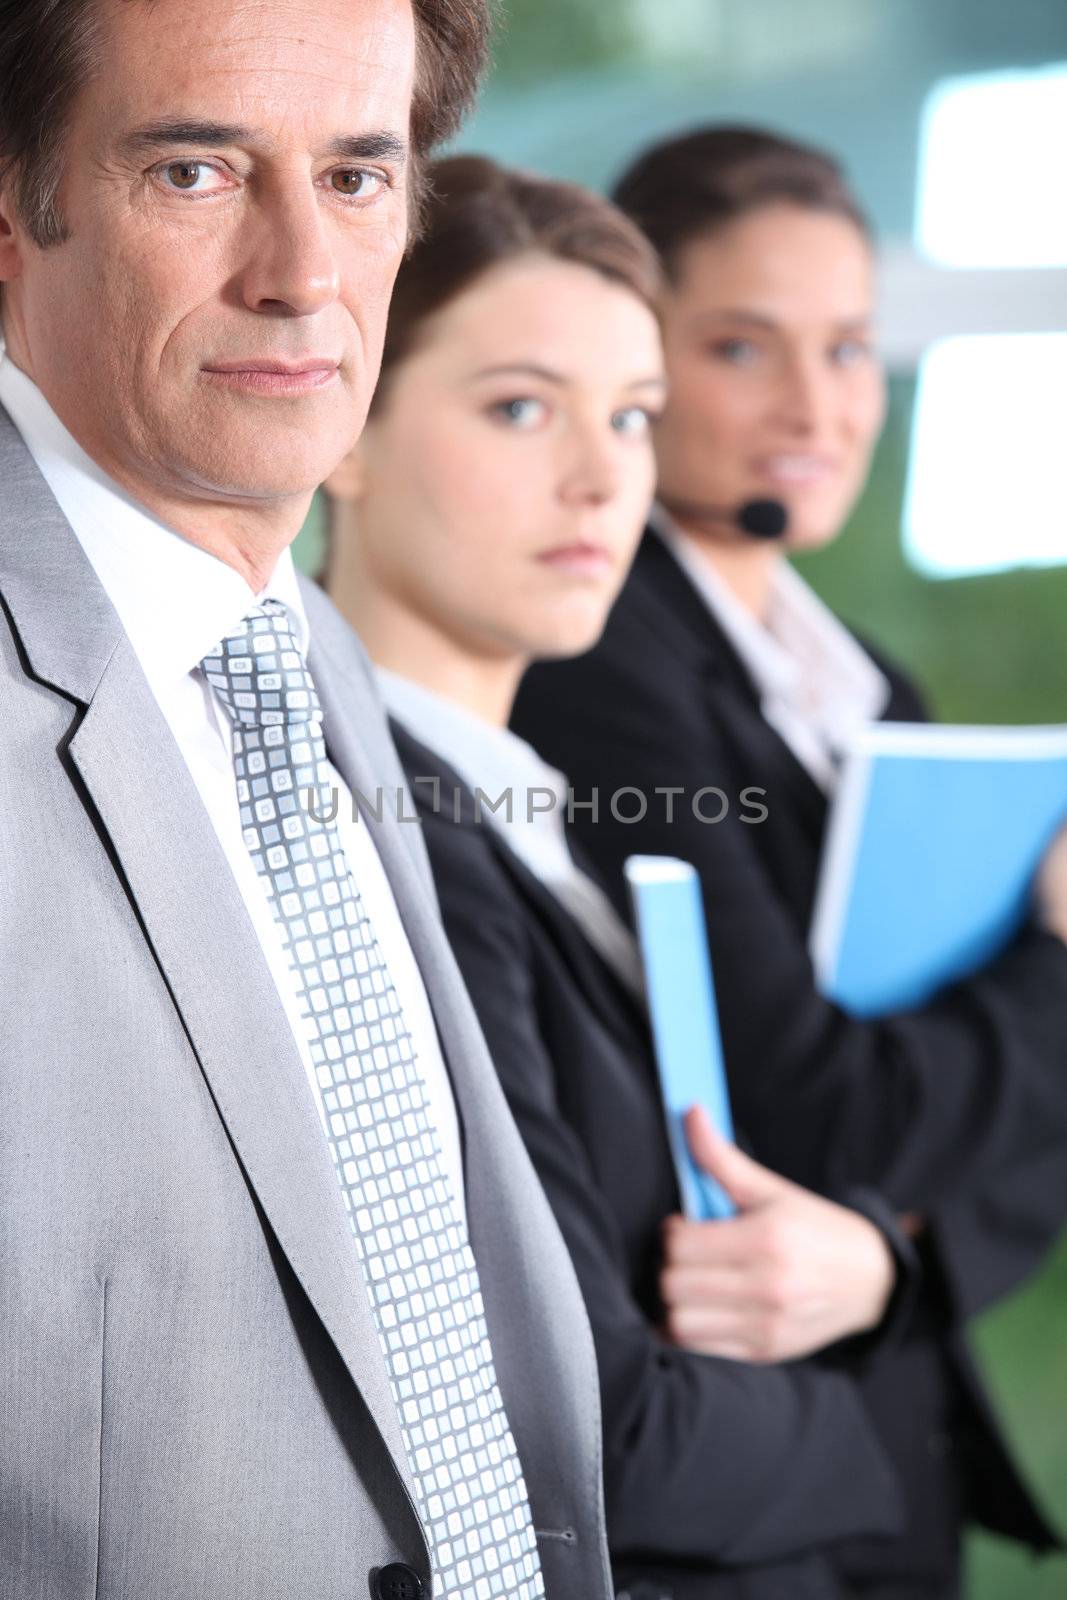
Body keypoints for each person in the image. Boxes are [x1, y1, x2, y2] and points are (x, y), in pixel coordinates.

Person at [0, 5, 614, 1598]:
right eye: (196, 171)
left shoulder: (303, 649)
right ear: (12, 209)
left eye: (357, 175)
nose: (302, 274)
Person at [324, 151, 948, 1600]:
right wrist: (859, 1442)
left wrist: (863, 1268)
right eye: (522, 407)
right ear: (344, 419)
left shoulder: (569, 826)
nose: (608, 478)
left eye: (635, 416)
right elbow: (591, 1427)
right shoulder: (387, 849)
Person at [511, 126, 1067, 1597]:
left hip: (892, 1441)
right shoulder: (595, 661)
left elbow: (1024, 1155)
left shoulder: (870, 688)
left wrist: (889, 1260)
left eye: (849, 349)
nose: (818, 407)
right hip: (753, 1483)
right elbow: (809, 1108)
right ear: (642, 359)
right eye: (745, 349)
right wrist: (1059, 962)